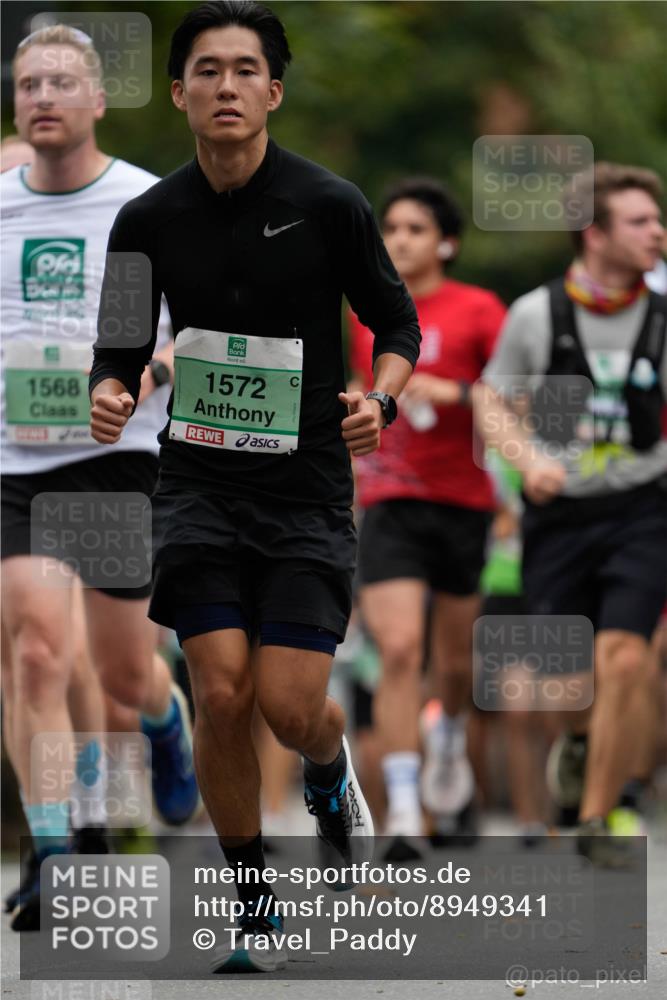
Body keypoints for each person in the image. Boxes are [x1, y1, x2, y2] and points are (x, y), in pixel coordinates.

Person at [89, 0, 420, 974]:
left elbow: (396, 325)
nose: (226, 86)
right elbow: (117, 347)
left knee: (288, 704)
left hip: (306, 485)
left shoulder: (329, 203)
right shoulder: (144, 218)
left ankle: (328, 765)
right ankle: (253, 906)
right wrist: (111, 392)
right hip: (194, 481)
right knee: (220, 689)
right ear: (181, 90)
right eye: (207, 69)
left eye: (245, 70)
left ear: (272, 90)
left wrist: (382, 402)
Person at [1, 25, 200, 931]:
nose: (41, 95)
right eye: (27, 82)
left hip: (114, 453)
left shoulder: (148, 205)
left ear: (96, 102)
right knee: (37, 651)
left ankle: (165, 723)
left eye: (60, 82)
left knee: (123, 672)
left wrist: (139, 378)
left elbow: (195, 331)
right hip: (11, 460)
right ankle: (53, 850)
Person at [475, 161, 667, 865]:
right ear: (594, 233)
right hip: (557, 517)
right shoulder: (537, 313)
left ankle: (595, 816)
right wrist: (528, 461)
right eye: (640, 221)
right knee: (567, 689)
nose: (657, 232)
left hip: (642, 510)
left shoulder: (661, 314)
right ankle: (581, 742)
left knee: (625, 659)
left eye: (656, 219)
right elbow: (488, 400)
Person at [348, 177, 506, 858]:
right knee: (399, 651)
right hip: (389, 502)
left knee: (450, 664)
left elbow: (518, 398)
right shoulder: (364, 317)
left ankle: (446, 740)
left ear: (445, 242)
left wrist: (458, 390)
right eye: (391, 228)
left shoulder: (478, 309)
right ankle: (406, 815)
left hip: (464, 504)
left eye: (415, 228)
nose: (400, 240)